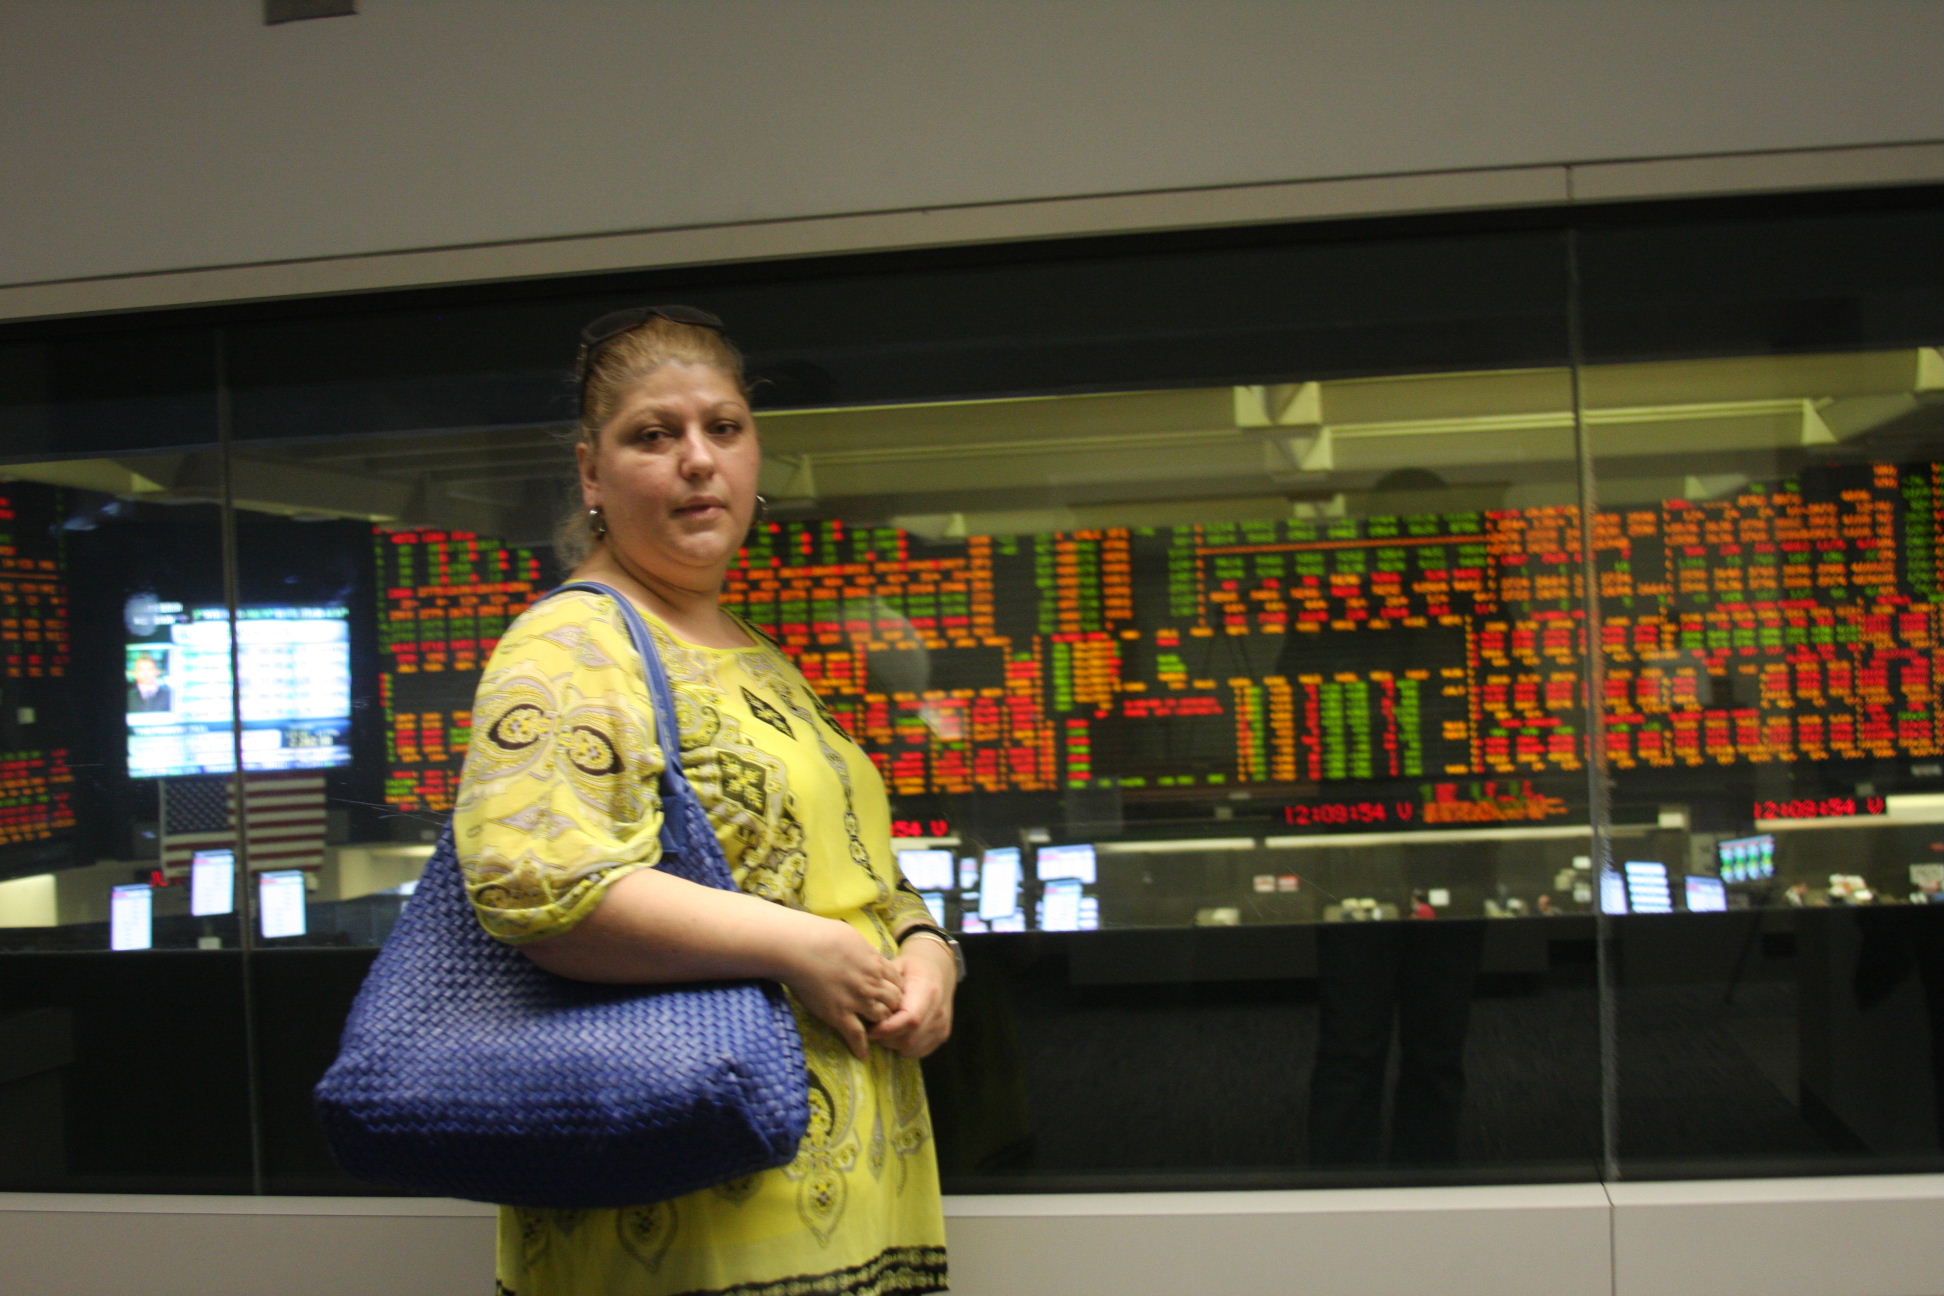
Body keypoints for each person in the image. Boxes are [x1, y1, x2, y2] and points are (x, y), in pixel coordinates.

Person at [454, 306, 956, 1296]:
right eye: (654, 435)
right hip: (691, 1202)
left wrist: (926, 949)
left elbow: (851, 873)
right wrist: (801, 948)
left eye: (723, 427)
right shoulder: (570, 645)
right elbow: (536, 887)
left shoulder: (756, 656)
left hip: (853, 1189)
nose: (698, 459)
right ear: (591, 474)